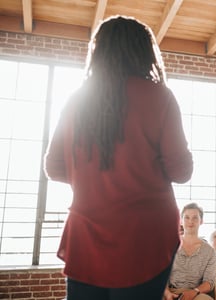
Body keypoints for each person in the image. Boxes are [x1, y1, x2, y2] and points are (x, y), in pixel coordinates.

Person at [43, 16, 193, 300]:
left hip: (86, 235)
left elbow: (54, 167)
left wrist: (90, 177)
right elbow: (181, 171)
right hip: (145, 237)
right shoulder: (160, 97)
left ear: (98, 51)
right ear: (144, 51)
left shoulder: (77, 98)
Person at [165, 203, 216, 300]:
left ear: (201, 221)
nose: (190, 221)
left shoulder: (209, 251)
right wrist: (167, 293)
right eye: (187, 218)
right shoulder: (169, 246)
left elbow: (209, 282)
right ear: (181, 221)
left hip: (196, 293)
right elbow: (161, 276)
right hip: (171, 292)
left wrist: (195, 291)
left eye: (195, 218)